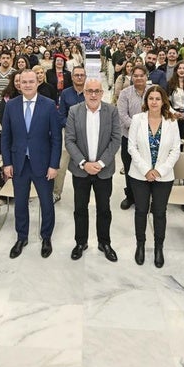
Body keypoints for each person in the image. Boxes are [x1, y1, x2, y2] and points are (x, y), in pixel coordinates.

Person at [1, 69, 62, 259]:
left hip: (43, 164)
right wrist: (6, 163)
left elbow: (56, 139)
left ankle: (46, 237)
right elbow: (6, 137)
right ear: (18, 84)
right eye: (23, 82)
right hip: (19, 163)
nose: (27, 85)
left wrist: (54, 165)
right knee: (20, 203)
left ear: (37, 83)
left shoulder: (49, 105)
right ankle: (22, 237)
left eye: (30, 82)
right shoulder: (11, 105)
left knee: (46, 202)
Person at [65, 78, 122, 262]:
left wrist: (101, 163)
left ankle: (104, 242)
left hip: (103, 171)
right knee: (80, 209)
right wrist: (84, 163)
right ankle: (80, 242)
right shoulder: (74, 111)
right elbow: (69, 140)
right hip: (81, 171)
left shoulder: (111, 111)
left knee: (104, 209)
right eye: (90, 91)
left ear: (102, 93)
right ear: (84, 93)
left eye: (97, 91)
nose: (93, 94)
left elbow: (116, 139)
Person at [128, 86, 181, 268]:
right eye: (151, 98)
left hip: (163, 177)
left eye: (158, 99)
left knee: (159, 213)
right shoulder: (137, 119)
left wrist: (159, 170)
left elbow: (176, 150)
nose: (154, 102)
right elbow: (131, 147)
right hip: (139, 175)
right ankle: (140, 245)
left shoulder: (171, 121)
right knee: (141, 211)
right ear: (146, 101)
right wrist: (145, 170)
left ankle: (159, 247)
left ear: (164, 101)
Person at [117, 65, 149, 210]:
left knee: (148, 167)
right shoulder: (125, 93)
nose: (138, 78)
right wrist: (140, 129)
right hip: (129, 138)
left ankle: (147, 197)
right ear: (131, 77)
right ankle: (130, 196)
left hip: (150, 138)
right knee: (130, 167)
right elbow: (123, 116)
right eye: (135, 75)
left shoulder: (153, 91)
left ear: (146, 77)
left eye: (141, 75)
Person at [54, 66, 87, 202]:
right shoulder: (66, 94)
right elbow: (61, 116)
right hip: (69, 134)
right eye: (76, 75)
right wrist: (73, 125)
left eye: (82, 75)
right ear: (72, 77)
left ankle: (84, 194)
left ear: (85, 77)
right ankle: (56, 192)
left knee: (85, 165)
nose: (79, 77)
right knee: (61, 164)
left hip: (87, 135)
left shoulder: (90, 92)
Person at [167, 61, 184, 140]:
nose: (182, 70)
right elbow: (166, 102)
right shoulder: (170, 84)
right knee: (174, 140)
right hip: (174, 116)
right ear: (176, 70)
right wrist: (174, 112)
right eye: (179, 68)